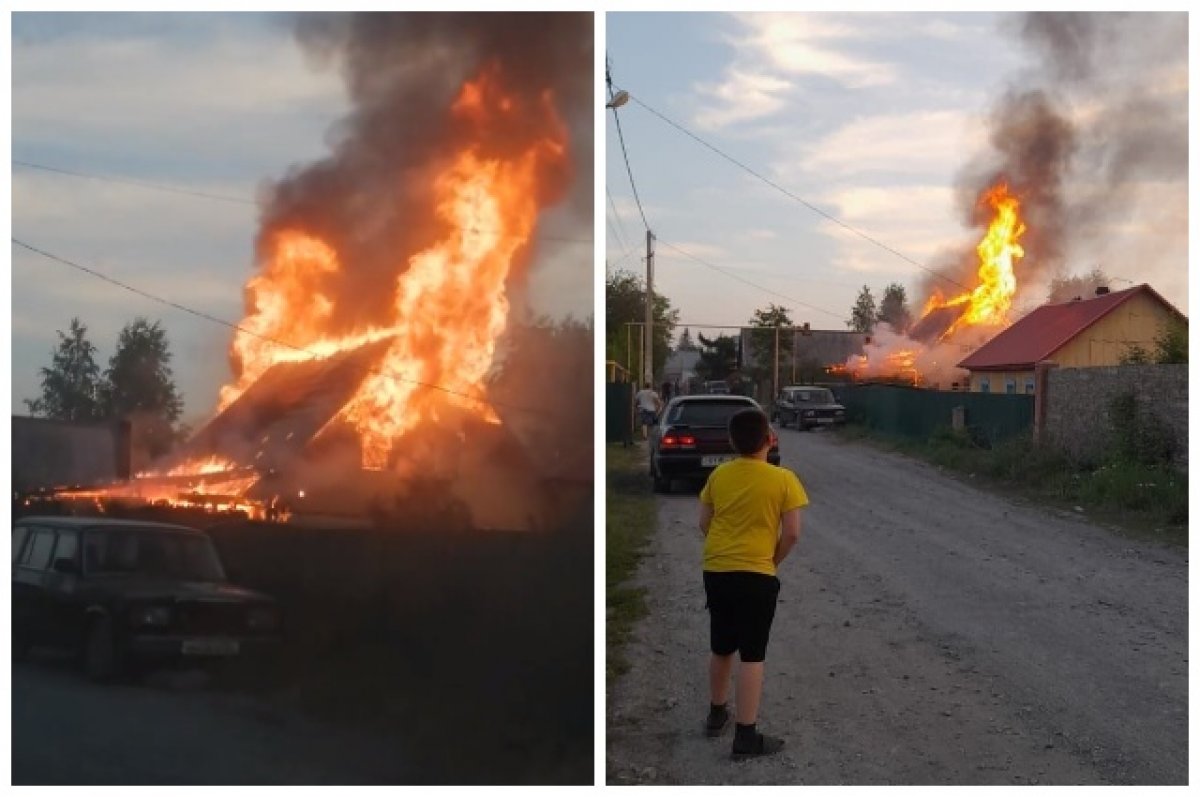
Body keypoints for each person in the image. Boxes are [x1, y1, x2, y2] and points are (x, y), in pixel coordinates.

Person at [698, 408, 807, 759]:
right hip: (757, 574)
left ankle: (717, 716)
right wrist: (769, 562)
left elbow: (705, 523)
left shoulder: (719, 475)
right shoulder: (784, 479)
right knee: (753, 654)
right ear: (769, 439)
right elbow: (791, 534)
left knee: (721, 644)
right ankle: (746, 736)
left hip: (717, 570)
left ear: (732, 441)